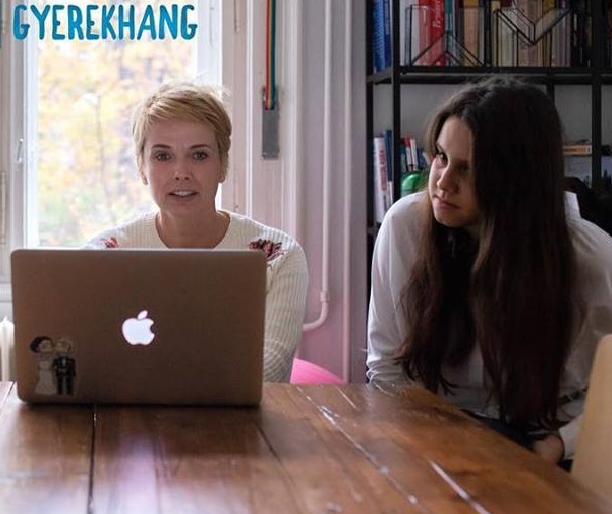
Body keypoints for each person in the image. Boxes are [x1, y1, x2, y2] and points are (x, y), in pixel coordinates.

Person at [367, 77, 612, 464]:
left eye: (467, 169)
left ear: (517, 180)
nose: (443, 182)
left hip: (549, 439)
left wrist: (556, 446)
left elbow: (605, 394)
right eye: (441, 156)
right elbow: (387, 368)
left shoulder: (590, 257)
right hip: (436, 432)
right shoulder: (405, 227)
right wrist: (422, 444)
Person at [86, 82, 309, 383]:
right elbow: (87, 362)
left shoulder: (279, 257)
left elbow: (270, 371)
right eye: (163, 156)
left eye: (199, 155)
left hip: (240, 414)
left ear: (223, 165)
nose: (181, 172)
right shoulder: (101, 255)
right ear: (141, 167)